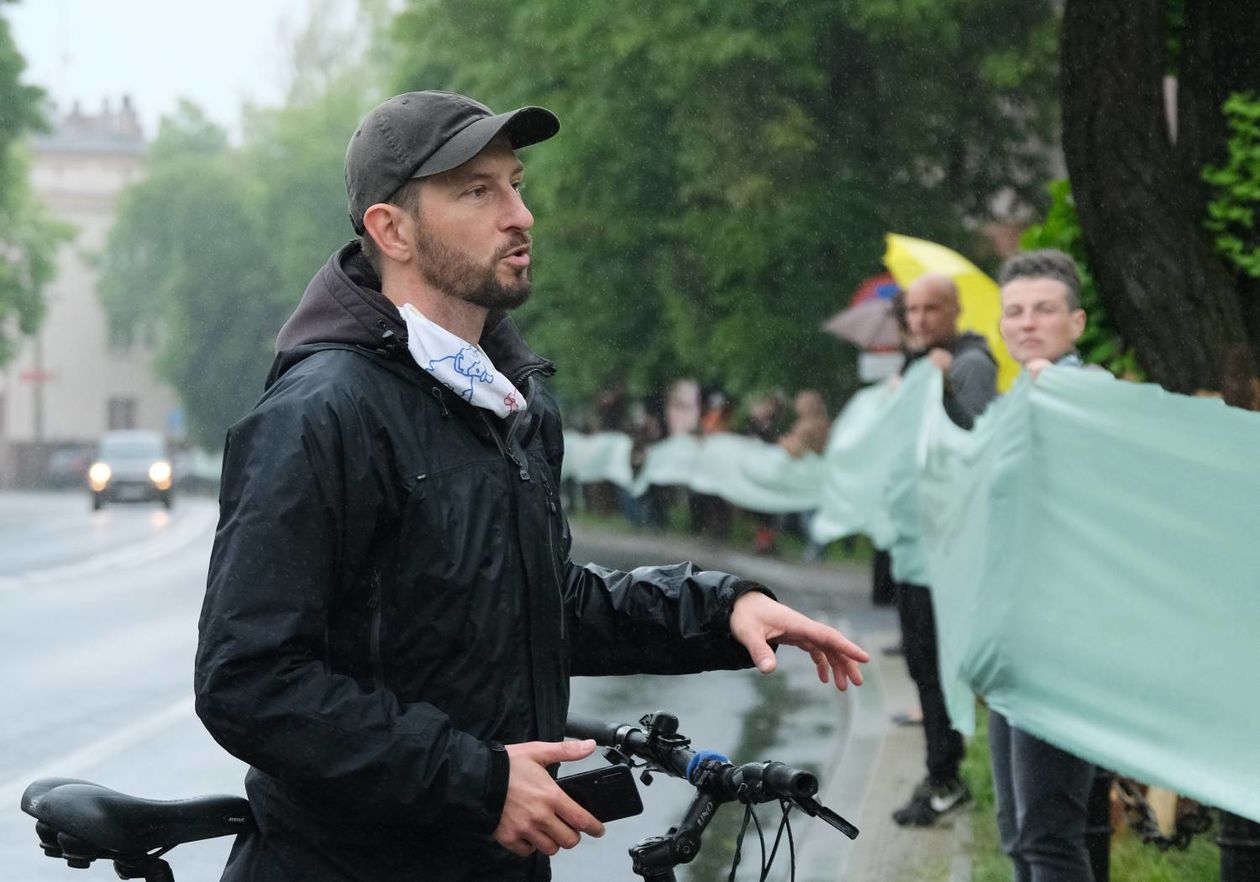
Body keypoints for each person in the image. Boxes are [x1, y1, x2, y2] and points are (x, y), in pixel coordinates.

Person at [193, 90, 870, 882]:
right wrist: (478, 782)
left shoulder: (508, 401)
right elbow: (248, 679)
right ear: (392, 229)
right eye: (478, 191)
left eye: (516, 183)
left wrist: (723, 609)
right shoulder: (321, 412)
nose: (521, 214)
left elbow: (543, 606)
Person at [990, 248, 1097, 881]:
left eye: (1045, 310)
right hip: (1013, 639)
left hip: (1064, 642)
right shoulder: (1014, 402)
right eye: (1015, 312)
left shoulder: (1090, 401)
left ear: (1076, 323)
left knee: (1050, 834)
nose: (1028, 323)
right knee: (1017, 831)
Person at [890, 273, 997, 827]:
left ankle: (945, 775)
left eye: (933, 308)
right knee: (919, 660)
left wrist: (944, 389)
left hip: (947, 550)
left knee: (936, 662)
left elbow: (978, 441)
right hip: (914, 546)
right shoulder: (917, 363)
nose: (922, 318)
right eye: (913, 309)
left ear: (954, 310)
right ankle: (939, 770)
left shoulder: (969, 364)